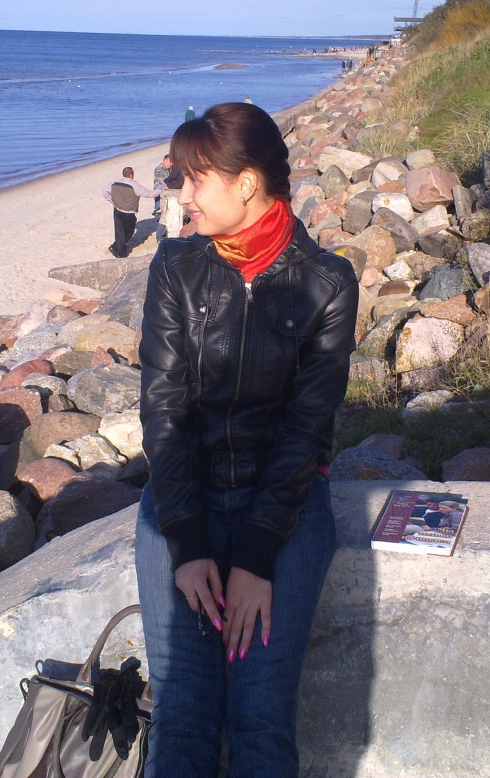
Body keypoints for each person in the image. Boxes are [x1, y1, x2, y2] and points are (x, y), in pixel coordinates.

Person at [136, 102, 358, 777]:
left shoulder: (327, 283)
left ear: (248, 182)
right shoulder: (175, 267)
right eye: (180, 180)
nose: (182, 196)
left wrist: (257, 558)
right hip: (184, 504)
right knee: (182, 714)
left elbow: (306, 430)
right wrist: (188, 544)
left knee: (260, 718)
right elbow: (164, 410)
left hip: (284, 512)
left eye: (195, 179)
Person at [103, 166, 156, 258]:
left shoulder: (114, 183)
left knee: (119, 231)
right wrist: (160, 190)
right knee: (129, 232)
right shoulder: (134, 185)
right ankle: (121, 252)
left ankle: (116, 248)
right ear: (131, 175)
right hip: (128, 212)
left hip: (117, 210)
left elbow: (105, 192)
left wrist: (113, 202)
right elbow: (148, 194)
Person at [158, 159, 185, 240]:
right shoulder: (183, 165)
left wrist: (165, 181)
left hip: (175, 187)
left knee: (164, 218)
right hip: (179, 186)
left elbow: (172, 176)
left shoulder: (176, 165)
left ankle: (159, 237)